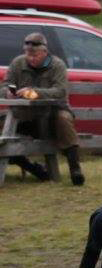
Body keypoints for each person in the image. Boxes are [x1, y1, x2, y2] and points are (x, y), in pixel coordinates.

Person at [5, 31, 84, 185]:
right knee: (3, 131)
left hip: (52, 116)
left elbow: (61, 91)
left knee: (63, 119)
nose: (31, 58)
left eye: (35, 55)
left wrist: (34, 93)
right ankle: (32, 168)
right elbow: (4, 86)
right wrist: (8, 92)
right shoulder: (17, 63)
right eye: (28, 55)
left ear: (45, 52)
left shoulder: (57, 65)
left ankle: (75, 169)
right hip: (24, 115)